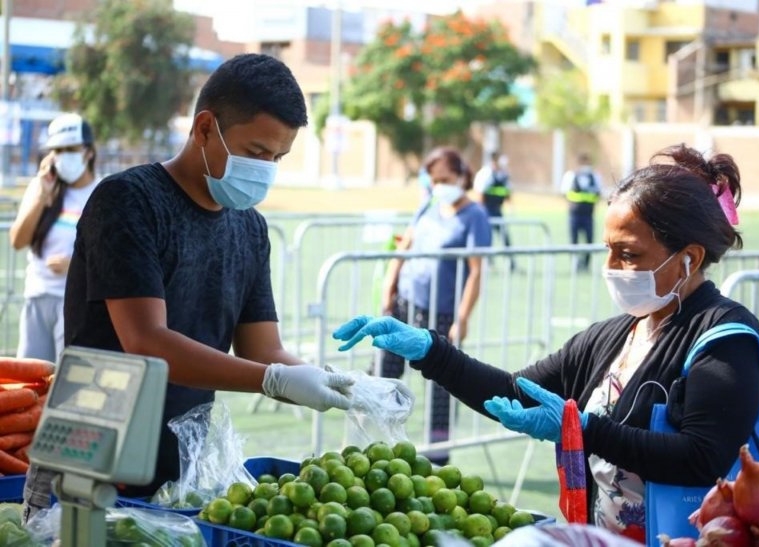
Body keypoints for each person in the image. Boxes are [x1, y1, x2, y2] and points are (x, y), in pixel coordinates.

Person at [333, 144, 759, 542]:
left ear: (690, 258)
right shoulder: (614, 335)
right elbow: (512, 394)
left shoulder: (726, 339)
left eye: (628, 254)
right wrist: (431, 351)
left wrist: (584, 429)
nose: (611, 267)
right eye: (608, 250)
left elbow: (703, 456)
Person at [22, 54, 355, 519]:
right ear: (204, 129)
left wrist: (338, 383)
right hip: (91, 460)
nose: (267, 169)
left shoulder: (250, 229)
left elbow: (263, 349)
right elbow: (147, 342)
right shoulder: (128, 201)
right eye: (257, 152)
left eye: (278, 158)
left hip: (183, 471)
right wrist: (271, 380)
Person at [380, 146, 491, 464]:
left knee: (442, 387)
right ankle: (382, 443)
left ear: (461, 176)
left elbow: (476, 271)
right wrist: (388, 288)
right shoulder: (427, 205)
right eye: (435, 178)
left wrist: (462, 318)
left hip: (441, 312)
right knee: (387, 375)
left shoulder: (475, 216)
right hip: (406, 303)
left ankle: (438, 458)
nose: (440, 184)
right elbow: (405, 247)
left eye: (446, 178)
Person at [9, 113, 101, 362]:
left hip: (76, 302)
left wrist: (75, 266)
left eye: (70, 149)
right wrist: (42, 196)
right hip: (38, 297)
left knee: (67, 383)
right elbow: (17, 240)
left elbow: (112, 256)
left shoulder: (103, 193)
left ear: (88, 152)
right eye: (57, 150)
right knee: (31, 382)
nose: (62, 156)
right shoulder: (41, 187)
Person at [561, 153, 602, 271]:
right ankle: (575, 263)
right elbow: (564, 192)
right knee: (574, 240)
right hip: (574, 213)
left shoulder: (594, 176)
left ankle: (586, 264)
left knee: (589, 239)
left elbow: (598, 193)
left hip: (588, 214)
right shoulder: (571, 175)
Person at [474, 151, 514, 270]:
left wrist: (510, 206)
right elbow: (480, 194)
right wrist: (481, 212)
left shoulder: (503, 174)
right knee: (487, 237)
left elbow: (507, 192)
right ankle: (489, 263)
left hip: (497, 209)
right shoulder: (485, 174)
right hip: (486, 210)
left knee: (504, 236)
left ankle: (511, 262)